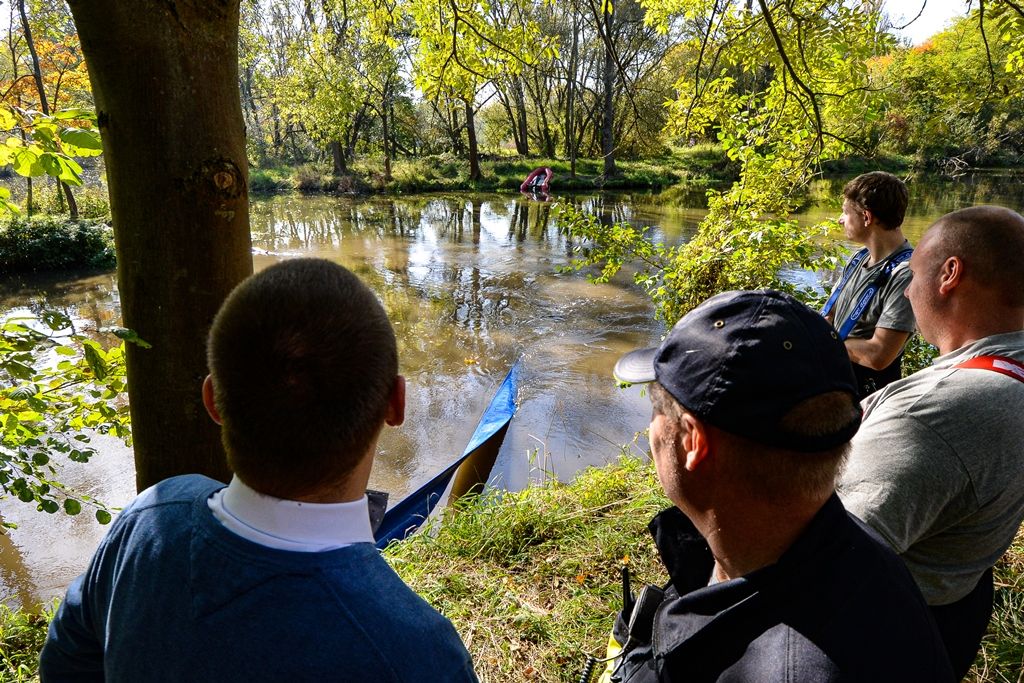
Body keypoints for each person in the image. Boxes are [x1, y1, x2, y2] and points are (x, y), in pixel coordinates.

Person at [39, 259, 478, 682]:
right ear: (395, 404)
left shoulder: (149, 518)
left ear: (213, 401)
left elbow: (66, 662)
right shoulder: (420, 656)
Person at [608, 289, 952, 682]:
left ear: (691, 442)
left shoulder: (787, 670)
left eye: (656, 409)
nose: (650, 428)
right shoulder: (848, 548)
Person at [839, 205, 1024, 681]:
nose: (905, 288)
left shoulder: (935, 414)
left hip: (881, 635)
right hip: (956, 600)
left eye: (913, 273)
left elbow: (824, 558)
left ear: (949, 273)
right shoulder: (1008, 370)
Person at [822, 171, 916, 397]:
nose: (840, 219)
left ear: (866, 217)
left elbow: (879, 355)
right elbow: (830, 316)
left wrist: (823, 342)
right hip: (836, 382)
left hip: (867, 397)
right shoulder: (859, 258)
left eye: (845, 212)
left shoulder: (905, 274)